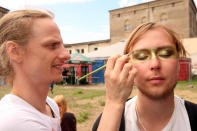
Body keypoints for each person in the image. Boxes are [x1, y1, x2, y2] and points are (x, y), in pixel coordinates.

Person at [92, 22, 197, 131]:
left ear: (178, 62)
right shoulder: (107, 121)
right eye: (141, 56)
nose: (155, 64)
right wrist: (113, 104)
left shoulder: (194, 117)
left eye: (166, 53)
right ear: (128, 65)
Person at [0, 9, 70, 131]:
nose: (66, 55)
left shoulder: (50, 105)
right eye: (53, 45)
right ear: (15, 52)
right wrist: (113, 104)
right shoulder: (14, 121)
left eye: (62, 45)